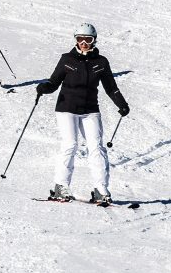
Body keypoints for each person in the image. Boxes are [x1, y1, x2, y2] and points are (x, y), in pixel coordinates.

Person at [35, 23, 130, 205]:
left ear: (94, 40)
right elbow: (53, 82)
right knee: (70, 144)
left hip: (90, 109)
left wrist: (122, 104)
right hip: (66, 108)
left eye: (88, 39)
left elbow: (111, 87)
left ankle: (101, 189)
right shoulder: (66, 59)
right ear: (75, 40)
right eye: (80, 39)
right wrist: (44, 88)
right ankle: (60, 187)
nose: (84, 43)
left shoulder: (101, 62)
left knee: (97, 147)